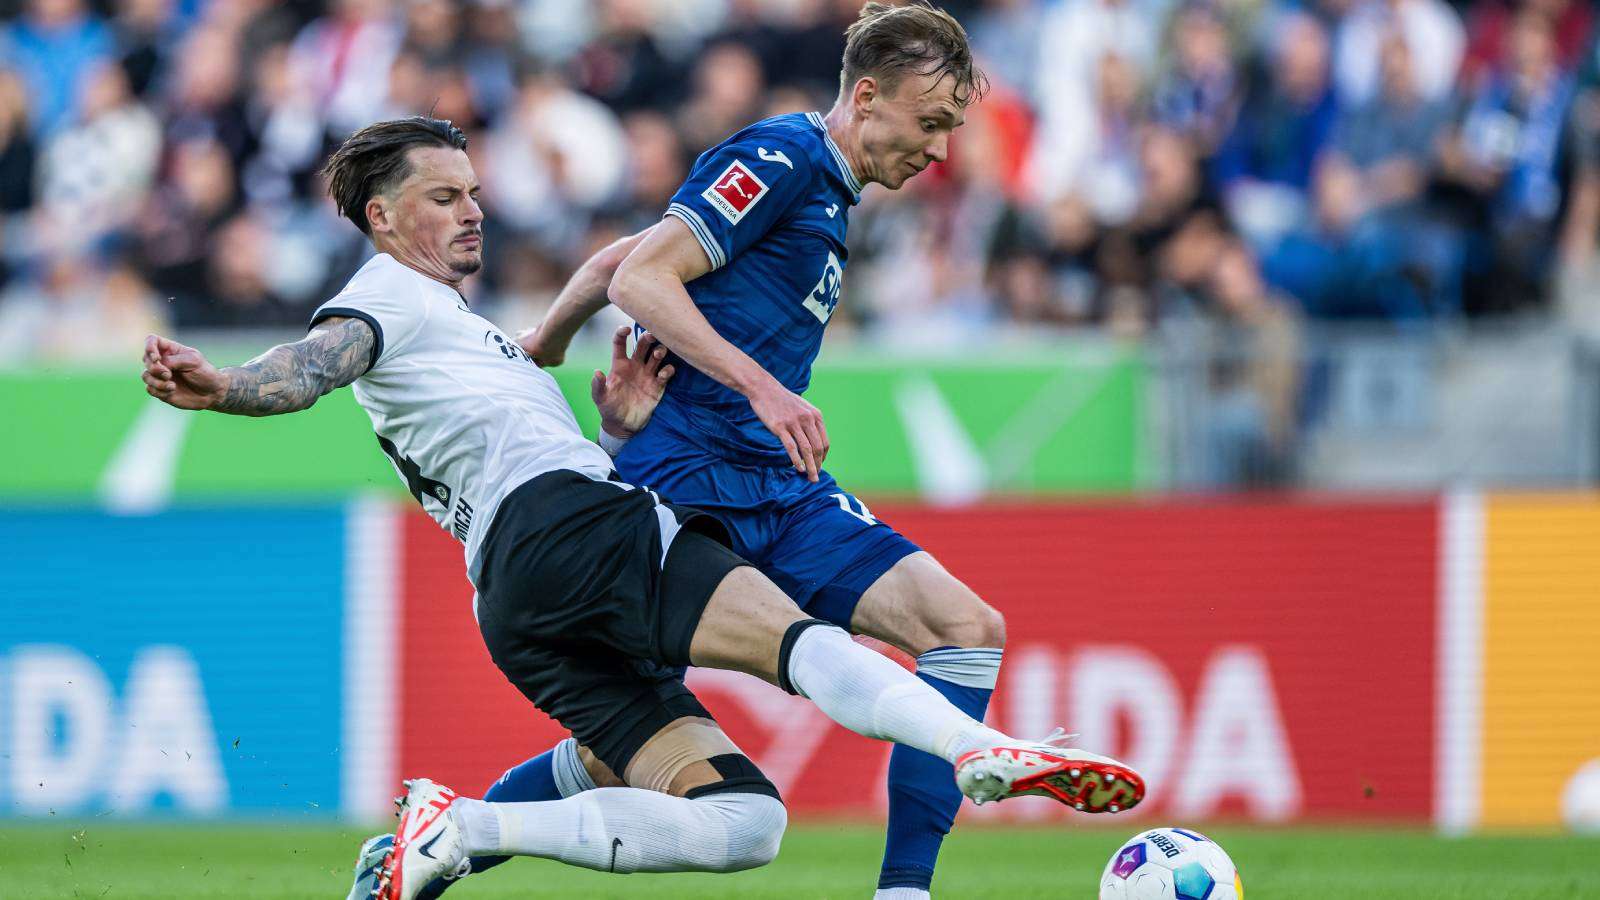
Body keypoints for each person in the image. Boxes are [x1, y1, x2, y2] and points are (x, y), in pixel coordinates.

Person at [137, 116, 1144, 900]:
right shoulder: (384, 298)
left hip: (519, 597)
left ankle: (466, 830)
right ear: (383, 218)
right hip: (569, 527)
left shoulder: (458, 328)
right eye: (443, 197)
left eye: (474, 193)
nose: (471, 212)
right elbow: (312, 364)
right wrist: (224, 386)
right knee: (790, 638)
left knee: (744, 824)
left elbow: (572, 309)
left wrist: (609, 421)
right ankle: (976, 750)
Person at [437, 5, 1141, 900]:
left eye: (951, 131)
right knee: (619, 757)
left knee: (967, 633)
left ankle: (904, 891)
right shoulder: (781, 157)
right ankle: (452, 841)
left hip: (778, 486)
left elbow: (629, 252)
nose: (937, 150)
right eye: (929, 124)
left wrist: (550, 334)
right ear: (868, 95)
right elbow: (646, 275)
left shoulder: (829, 193)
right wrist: (761, 389)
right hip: (684, 481)